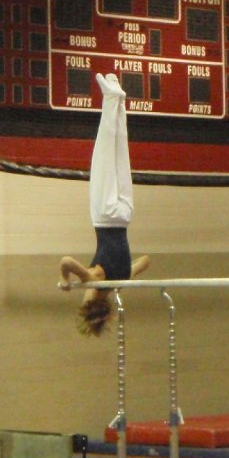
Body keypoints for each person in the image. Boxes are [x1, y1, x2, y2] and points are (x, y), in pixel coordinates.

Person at [59, 72, 150, 336]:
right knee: (103, 155)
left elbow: (145, 262)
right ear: (92, 301)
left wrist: (128, 275)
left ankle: (119, 101)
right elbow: (65, 260)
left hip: (124, 215)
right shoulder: (96, 280)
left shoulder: (118, 282)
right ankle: (111, 99)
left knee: (121, 154)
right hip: (105, 215)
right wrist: (66, 280)